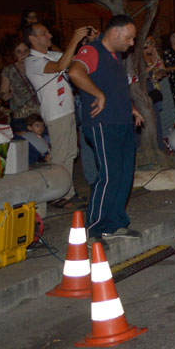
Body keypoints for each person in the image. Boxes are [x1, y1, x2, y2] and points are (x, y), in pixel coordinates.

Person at [67, 15, 145, 241]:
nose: (131, 43)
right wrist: (98, 94)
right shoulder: (92, 50)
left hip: (123, 122)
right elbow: (75, 72)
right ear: (114, 32)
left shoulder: (115, 55)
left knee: (124, 175)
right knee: (109, 175)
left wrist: (132, 108)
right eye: (129, 38)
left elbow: (116, 87)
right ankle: (95, 227)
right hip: (103, 123)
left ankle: (115, 223)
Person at [23, 22, 91, 208]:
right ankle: (55, 194)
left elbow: (75, 59)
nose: (50, 36)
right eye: (44, 33)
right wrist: (75, 39)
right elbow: (61, 65)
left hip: (68, 110)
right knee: (60, 156)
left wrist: (89, 43)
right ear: (32, 38)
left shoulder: (53, 54)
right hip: (55, 113)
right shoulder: (32, 62)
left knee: (70, 153)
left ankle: (67, 192)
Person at [0, 37, 40, 131]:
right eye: (19, 52)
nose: (23, 54)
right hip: (21, 117)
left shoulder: (38, 66)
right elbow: (2, 92)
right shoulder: (9, 70)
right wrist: (5, 96)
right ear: (14, 55)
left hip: (40, 115)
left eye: (25, 51)